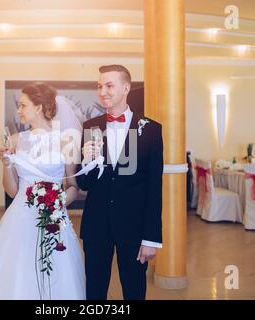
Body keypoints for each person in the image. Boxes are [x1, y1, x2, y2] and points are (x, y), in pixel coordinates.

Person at [0, 83, 85, 300]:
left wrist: (57, 202)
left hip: (54, 217)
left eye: (23, 105)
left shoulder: (65, 142)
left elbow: (73, 186)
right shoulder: (16, 140)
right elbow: (12, 190)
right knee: (18, 272)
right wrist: (6, 164)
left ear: (39, 107)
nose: (19, 110)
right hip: (20, 217)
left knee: (56, 273)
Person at [76, 65, 163, 300]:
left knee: (135, 290)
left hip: (134, 228)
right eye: (99, 86)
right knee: (94, 290)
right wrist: (87, 161)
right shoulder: (90, 127)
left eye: (109, 85)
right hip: (97, 226)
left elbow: (155, 188)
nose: (102, 91)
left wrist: (151, 237)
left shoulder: (151, 130)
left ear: (126, 88)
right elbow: (84, 183)